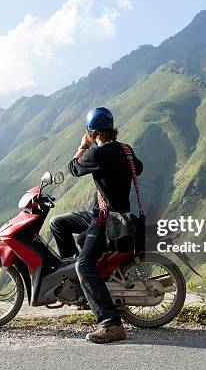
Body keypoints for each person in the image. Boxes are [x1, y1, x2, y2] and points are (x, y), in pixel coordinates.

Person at [49, 106, 143, 344]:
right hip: (105, 212)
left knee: (84, 266)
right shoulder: (125, 149)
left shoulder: (98, 154)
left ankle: (110, 324)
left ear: (92, 132)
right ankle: (79, 287)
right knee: (58, 223)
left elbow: (73, 168)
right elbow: (138, 169)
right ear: (111, 129)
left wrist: (83, 145)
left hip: (107, 219)